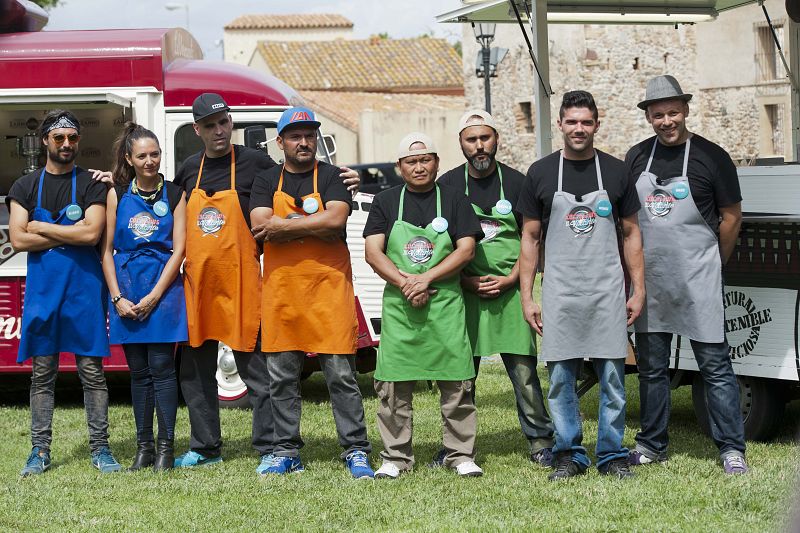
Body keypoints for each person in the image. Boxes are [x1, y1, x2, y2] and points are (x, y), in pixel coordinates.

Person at [171, 93, 359, 474]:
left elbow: (296, 191)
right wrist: (115, 181)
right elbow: (175, 211)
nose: (219, 131)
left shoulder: (257, 164)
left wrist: (348, 178)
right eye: (210, 125)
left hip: (244, 279)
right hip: (200, 282)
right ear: (197, 130)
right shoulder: (190, 168)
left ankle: (271, 445)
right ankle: (205, 446)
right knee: (195, 372)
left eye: (223, 122)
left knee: (258, 372)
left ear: (231, 123)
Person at [518, 91, 645, 481]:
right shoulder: (540, 172)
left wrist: (637, 288)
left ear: (596, 125)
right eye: (571, 122)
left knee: (613, 378)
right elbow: (530, 238)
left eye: (586, 122)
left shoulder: (617, 171)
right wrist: (527, 297)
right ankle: (569, 452)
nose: (578, 129)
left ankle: (611, 453)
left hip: (608, 289)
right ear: (559, 124)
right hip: (560, 291)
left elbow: (631, 233)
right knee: (560, 380)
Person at [625, 75, 747, 474]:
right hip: (652, 280)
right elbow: (628, 221)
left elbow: (731, 218)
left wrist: (714, 261)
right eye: (658, 114)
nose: (666, 120)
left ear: (686, 110)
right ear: (648, 116)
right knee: (652, 369)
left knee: (715, 366)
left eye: (673, 112)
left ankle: (731, 449)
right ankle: (651, 444)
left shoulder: (712, 157)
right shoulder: (636, 157)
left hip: (699, 277)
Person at [250, 107, 373, 478]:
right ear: (280, 142)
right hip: (282, 293)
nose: (303, 142)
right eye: (295, 135)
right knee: (282, 378)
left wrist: (282, 226)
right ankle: (286, 450)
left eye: (309, 135)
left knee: (341, 377)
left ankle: (355, 449)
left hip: (328, 290)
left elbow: (336, 218)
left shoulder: (334, 176)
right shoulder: (265, 179)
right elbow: (258, 224)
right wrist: (310, 226)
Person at [437, 109, 555, 467]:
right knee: (460, 375)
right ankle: (456, 447)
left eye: (484, 138)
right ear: (461, 144)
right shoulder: (447, 185)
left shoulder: (519, 182)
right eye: (471, 139)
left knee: (524, 373)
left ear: (497, 139)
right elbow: (441, 245)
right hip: (463, 292)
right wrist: (465, 280)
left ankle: (540, 441)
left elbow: (531, 239)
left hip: (510, 291)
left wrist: (512, 280)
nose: (479, 146)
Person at [363, 132, 484, 479]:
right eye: (412, 162)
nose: (419, 167)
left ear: (436, 162)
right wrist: (406, 283)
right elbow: (373, 252)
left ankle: (460, 454)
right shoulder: (385, 201)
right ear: (400, 167)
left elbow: (466, 250)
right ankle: (395, 457)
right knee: (393, 386)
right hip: (401, 307)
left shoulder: (455, 199)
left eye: (426, 159)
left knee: (457, 382)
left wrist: (426, 279)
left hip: (444, 305)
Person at [8, 110, 122, 476]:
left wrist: (40, 225)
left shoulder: (91, 183)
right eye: (59, 138)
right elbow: (17, 239)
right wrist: (66, 231)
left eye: (73, 138)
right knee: (42, 375)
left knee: (92, 373)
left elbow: (91, 235)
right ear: (45, 141)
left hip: (84, 292)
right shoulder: (24, 187)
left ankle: (100, 450)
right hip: (44, 294)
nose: (67, 144)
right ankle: (39, 451)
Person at [101, 123, 188, 471]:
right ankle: (144, 448)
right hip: (126, 287)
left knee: (164, 369)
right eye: (142, 156)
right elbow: (106, 251)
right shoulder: (117, 194)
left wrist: (154, 296)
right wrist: (117, 297)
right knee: (138, 373)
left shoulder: (176, 193)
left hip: (164, 289)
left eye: (155, 154)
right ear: (129, 159)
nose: (150, 161)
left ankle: (165, 450)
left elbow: (180, 250)